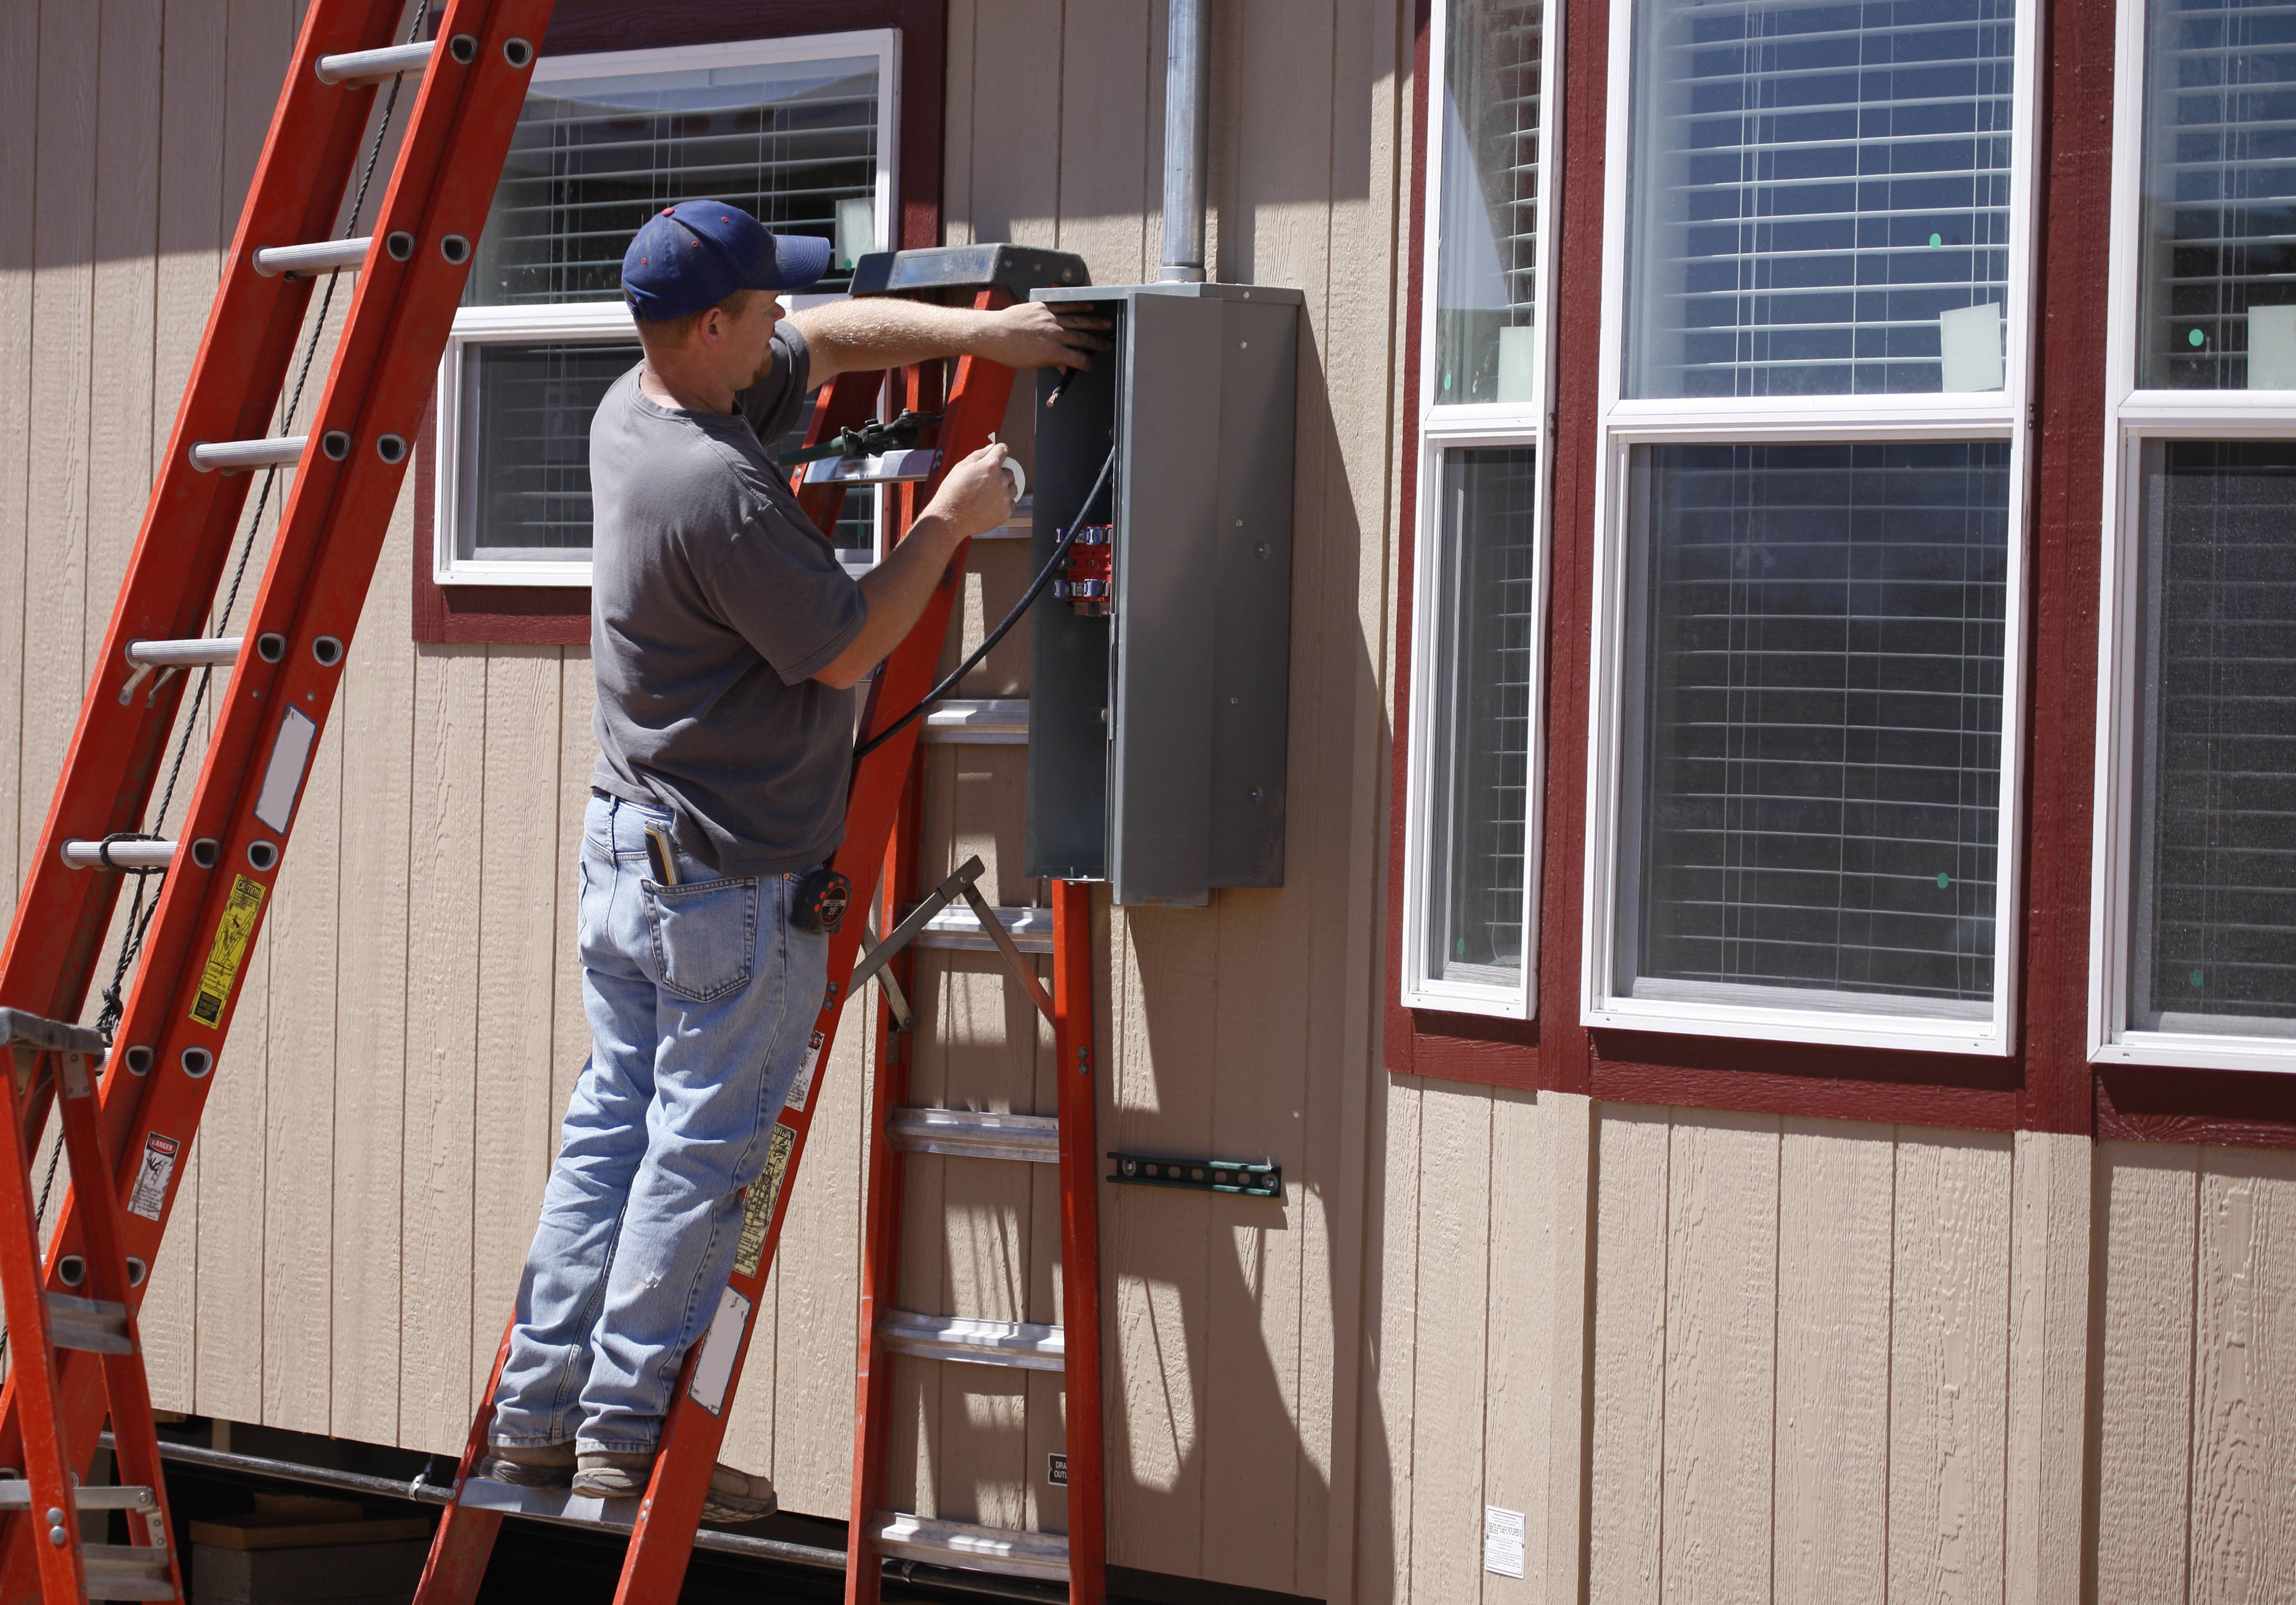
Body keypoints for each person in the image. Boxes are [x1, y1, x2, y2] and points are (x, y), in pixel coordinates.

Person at [474, 200, 1107, 1518]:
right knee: (700, 1154)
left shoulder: (636, 410)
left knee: (610, 1136)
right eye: (758, 311)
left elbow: (821, 345)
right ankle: (627, 1434)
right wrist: (951, 514)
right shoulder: (715, 487)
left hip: (631, 857)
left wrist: (995, 334)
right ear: (710, 327)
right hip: (723, 880)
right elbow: (842, 647)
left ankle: (540, 1413)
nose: (780, 328)